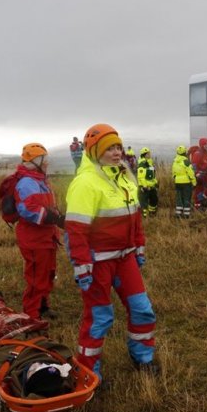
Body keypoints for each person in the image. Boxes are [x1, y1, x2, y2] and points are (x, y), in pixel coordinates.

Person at [65, 123, 157, 381]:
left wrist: (139, 248)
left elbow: (135, 219)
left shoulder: (124, 177)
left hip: (125, 258)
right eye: (109, 148)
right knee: (99, 317)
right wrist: (81, 265)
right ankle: (88, 372)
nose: (117, 153)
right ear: (94, 152)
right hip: (98, 263)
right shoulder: (85, 183)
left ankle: (143, 359)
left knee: (142, 309)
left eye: (118, 147)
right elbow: (76, 230)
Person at [0, 293, 75, 399]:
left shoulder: (3, 365)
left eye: (40, 365)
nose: (42, 363)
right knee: (4, 314)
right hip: (18, 331)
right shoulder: (53, 355)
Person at [14, 143, 64, 320]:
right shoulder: (27, 183)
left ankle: (42, 306)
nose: (47, 163)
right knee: (36, 278)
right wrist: (56, 219)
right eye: (44, 160)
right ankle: (31, 317)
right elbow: (28, 210)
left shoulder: (39, 181)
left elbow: (47, 207)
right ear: (35, 162)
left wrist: (58, 216)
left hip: (46, 237)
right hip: (34, 240)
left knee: (48, 273)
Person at [190, 137, 207, 210]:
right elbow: (194, 165)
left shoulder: (206, 153)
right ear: (202, 144)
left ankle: (201, 199)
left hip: (204, 174)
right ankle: (198, 206)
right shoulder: (198, 153)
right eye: (206, 144)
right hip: (200, 175)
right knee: (202, 189)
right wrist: (196, 173)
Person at [172, 145, 196, 218]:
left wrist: (176, 179)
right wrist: (194, 183)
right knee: (186, 198)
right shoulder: (186, 162)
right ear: (185, 152)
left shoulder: (175, 162)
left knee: (179, 198)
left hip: (177, 183)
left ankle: (178, 214)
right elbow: (191, 173)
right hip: (186, 183)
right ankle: (186, 215)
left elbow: (173, 173)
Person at [137, 147, 159, 217]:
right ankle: (144, 218)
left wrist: (155, 182)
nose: (150, 154)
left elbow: (152, 175)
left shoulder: (149, 163)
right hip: (145, 187)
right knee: (144, 203)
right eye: (148, 153)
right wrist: (145, 186)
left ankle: (152, 214)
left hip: (152, 186)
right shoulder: (142, 164)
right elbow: (141, 177)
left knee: (154, 200)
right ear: (145, 154)